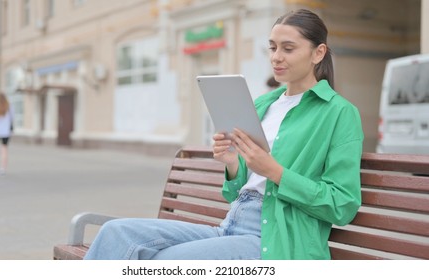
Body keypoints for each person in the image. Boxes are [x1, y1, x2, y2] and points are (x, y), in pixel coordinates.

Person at [84, 8, 363, 260]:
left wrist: (276, 172)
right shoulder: (263, 104)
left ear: (318, 53)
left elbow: (343, 205)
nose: (276, 57)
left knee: (167, 261)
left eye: (288, 48)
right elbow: (235, 192)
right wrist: (232, 163)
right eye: (273, 47)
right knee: (115, 233)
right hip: (230, 225)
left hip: (275, 240)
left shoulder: (338, 113)